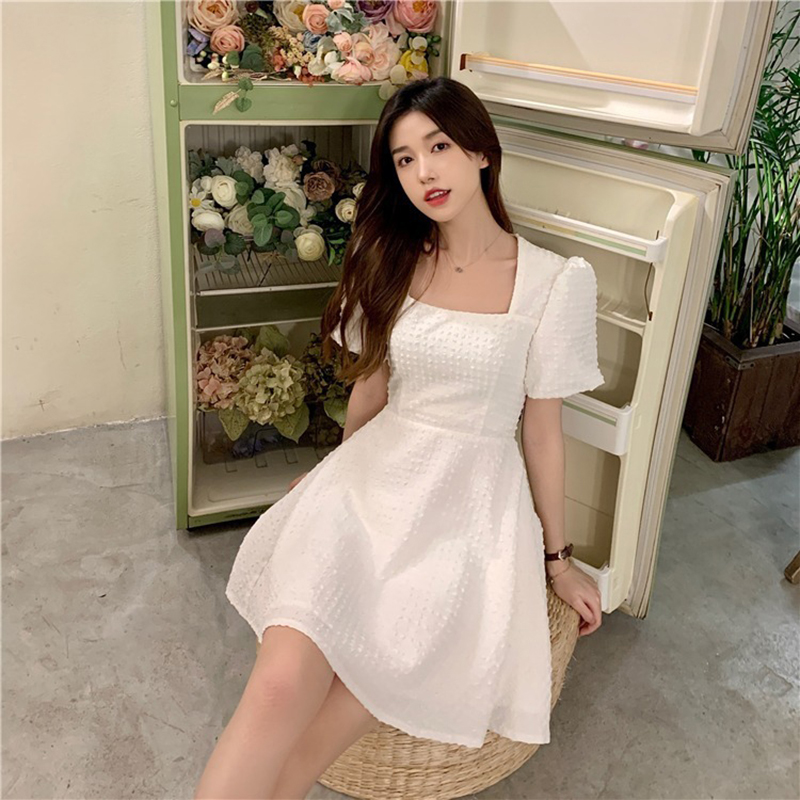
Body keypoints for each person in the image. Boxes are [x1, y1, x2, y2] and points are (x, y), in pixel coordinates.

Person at [195, 75, 604, 800]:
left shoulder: (552, 282)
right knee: (278, 687)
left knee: (344, 706)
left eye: (438, 147)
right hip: (376, 477)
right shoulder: (393, 259)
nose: (423, 173)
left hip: (468, 510)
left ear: (482, 151)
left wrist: (559, 560)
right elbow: (371, 390)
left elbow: (543, 431)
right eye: (405, 159)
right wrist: (333, 473)